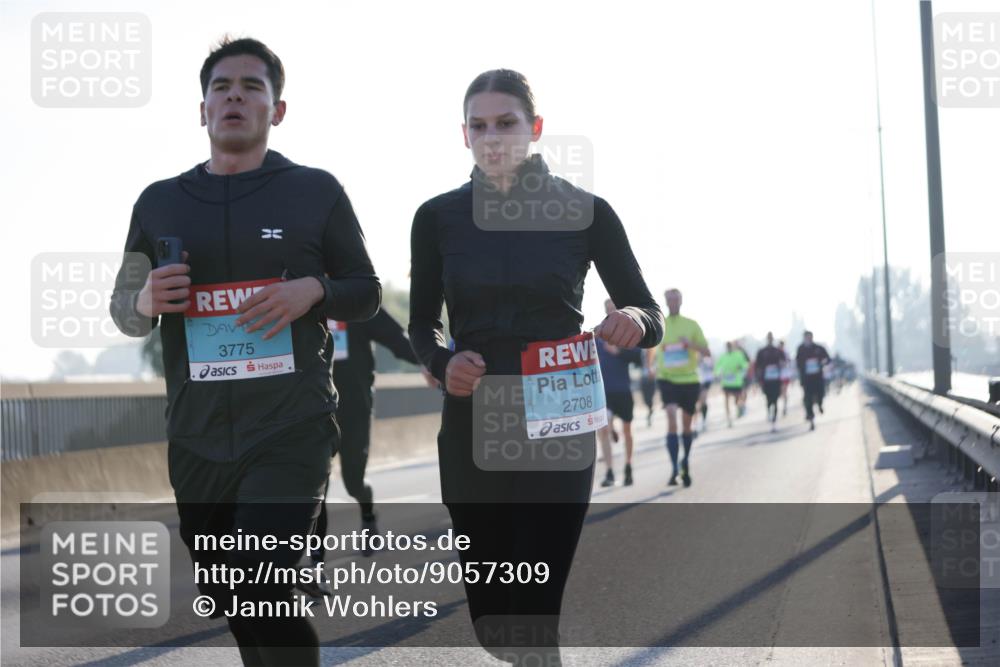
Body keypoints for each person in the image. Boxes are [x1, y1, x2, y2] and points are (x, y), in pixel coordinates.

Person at [110, 37, 381, 667]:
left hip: (291, 426)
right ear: (202, 109)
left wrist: (313, 290)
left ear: (276, 110)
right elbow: (123, 311)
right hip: (197, 435)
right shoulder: (158, 201)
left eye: (252, 87)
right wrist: (145, 298)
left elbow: (366, 291)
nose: (235, 96)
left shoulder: (315, 191)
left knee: (263, 585)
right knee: (233, 596)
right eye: (221, 87)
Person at [408, 69, 662, 663]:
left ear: (535, 128)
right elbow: (421, 325)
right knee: (494, 621)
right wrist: (443, 362)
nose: (492, 137)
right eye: (478, 126)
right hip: (474, 422)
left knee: (533, 614)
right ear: (464, 135)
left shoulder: (587, 212)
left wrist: (632, 320)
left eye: (506, 123)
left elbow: (649, 312)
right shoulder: (436, 217)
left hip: (558, 418)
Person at [296, 310, 432, 598]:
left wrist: (432, 360)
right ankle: (317, 567)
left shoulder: (354, 301)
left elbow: (396, 339)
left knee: (353, 481)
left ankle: (368, 513)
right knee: (318, 488)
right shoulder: (299, 304)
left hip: (355, 407)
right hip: (313, 409)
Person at [645, 288, 709, 488]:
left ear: (681, 301)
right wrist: (649, 367)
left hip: (689, 380)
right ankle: (674, 468)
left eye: (676, 299)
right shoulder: (661, 324)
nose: (673, 302)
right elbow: (651, 348)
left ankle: (685, 462)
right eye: (669, 299)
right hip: (667, 380)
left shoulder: (692, 325)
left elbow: (706, 352)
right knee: (671, 419)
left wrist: (690, 344)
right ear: (665, 302)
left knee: (687, 426)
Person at [595, 299, 643, 487]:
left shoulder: (626, 334)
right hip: (604, 392)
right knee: (603, 429)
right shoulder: (598, 335)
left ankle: (628, 466)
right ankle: (609, 472)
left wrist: (618, 352)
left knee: (627, 431)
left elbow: (638, 358)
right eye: (608, 309)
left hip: (623, 390)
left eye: (613, 309)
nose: (611, 312)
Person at [795, 330, 831, 431]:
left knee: (821, 393)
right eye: (806, 337)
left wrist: (822, 363)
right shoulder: (801, 349)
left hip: (818, 377)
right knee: (808, 398)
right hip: (806, 379)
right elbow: (797, 362)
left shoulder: (818, 348)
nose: (808, 339)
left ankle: (820, 404)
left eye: (809, 337)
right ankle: (811, 418)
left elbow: (828, 359)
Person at [754, 332, 787, 432]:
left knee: (775, 400)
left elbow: (784, 362)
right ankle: (769, 412)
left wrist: (781, 365)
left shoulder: (778, 351)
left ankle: (774, 420)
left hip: (776, 379)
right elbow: (757, 366)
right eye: (768, 338)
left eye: (771, 338)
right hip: (766, 380)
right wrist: (759, 379)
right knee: (768, 399)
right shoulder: (762, 351)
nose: (770, 339)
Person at [715, 342, 749, 427]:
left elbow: (745, 364)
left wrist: (741, 367)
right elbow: (717, 367)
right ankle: (729, 418)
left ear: (732, 347)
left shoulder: (738, 355)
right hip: (726, 382)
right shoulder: (723, 356)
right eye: (727, 347)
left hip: (736, 382)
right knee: (726, 399)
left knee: (737, 400)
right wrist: (718, 373)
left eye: (730, 346)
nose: (729, 348)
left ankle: (740, 407)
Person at [696, 353, 715, 432]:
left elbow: (712, 368)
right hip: (696, 383)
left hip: (706, 383)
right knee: (697, 403)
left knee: (703, 401)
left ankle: (704, 420)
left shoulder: (707, 361)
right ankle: (696, 422)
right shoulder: (692, 361)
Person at [778, 339, 792, 416]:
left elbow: (789, 362)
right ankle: (784, 404)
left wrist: (784, 363)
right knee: (781, 392)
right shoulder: (776, 352)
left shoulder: (786, 353)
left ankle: (785, 406)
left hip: (785, 375)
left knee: (784, 391)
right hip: (778, 375)